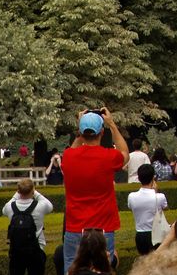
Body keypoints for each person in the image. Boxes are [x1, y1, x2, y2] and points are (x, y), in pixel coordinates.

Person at [61, 107, 131, 259]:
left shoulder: (68, 157)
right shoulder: (108, 157)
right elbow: (125, 153)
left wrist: (80, 127)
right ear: (102, 133)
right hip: (103, 227)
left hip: (75, 227)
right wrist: (112, 124)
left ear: (81, 133)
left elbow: (73, 149)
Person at [6, 177, 55, 275]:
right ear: (32, 190)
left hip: (16, 250)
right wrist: (35, 192)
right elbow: (50, 206)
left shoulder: (10, 207)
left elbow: (4, 209)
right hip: (36, 249)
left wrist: (17, 193)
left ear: (19, 191)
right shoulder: (40, 206)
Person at [127, 165, 169, 255]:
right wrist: (156, 192)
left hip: (140, 235)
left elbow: (130, 207)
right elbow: (165, 208)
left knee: (144, 263)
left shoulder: (131, 196)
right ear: (153, 177)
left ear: (139, 178)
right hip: (156, 234)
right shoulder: (160, 196)